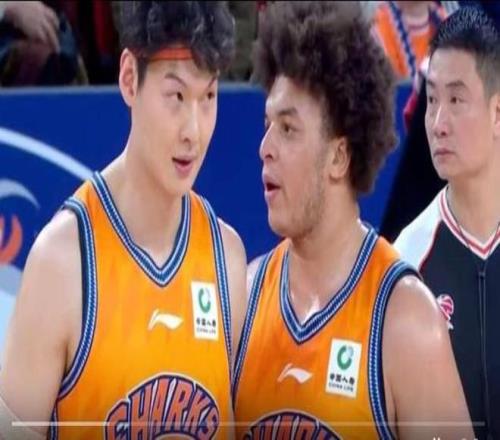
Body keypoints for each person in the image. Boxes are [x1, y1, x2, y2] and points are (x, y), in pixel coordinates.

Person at [0, 2, 247, 439]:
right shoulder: (62, 262)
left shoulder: (226, 259)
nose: (193, 130)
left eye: (208, 97)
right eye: (176, 97)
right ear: (130, 78)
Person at [233, 2, 472, 439]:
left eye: (288, 129)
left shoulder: (406, 321)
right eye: (267, 125)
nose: (265, 147)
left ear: (339, 156)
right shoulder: (245, 297)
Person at [394, 7, 500, 440]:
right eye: (433, 100)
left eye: (456, 101)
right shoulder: (406, 259)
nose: (438, 124)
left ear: (497, 112)